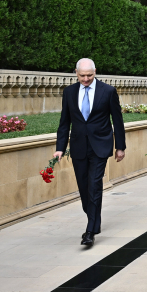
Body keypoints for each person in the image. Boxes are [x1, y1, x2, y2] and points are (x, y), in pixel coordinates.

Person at [55, 58, 126, 247]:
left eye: (89, 75)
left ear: (95, 72)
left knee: (94, 186)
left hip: (100, 146)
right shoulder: (69, 92)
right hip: (78, 146)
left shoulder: (108, 91)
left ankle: (90, 231)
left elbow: (117, 120)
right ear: (76, 73)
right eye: (82, 75)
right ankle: (94, 217)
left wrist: (120, 147)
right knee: (84, 188)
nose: (86, 79)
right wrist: (60, 148)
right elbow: (64, 122)